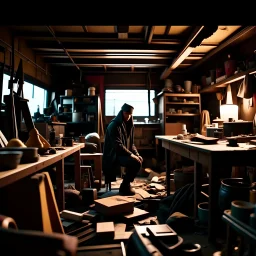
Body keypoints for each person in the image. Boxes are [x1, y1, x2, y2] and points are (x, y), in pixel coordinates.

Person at [102, 103, 143, 195]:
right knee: (135, 162)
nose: (128, 116)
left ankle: (126, 183)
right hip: (114, 155)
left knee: (139, 160)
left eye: (130, 114)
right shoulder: (114, 125)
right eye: (126, 114)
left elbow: (131, 144)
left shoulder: (130, 125)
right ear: (122, 113)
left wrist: (137, 154)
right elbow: (118, 146)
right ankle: (125, 186)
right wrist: (131, 155)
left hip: (123, 153)